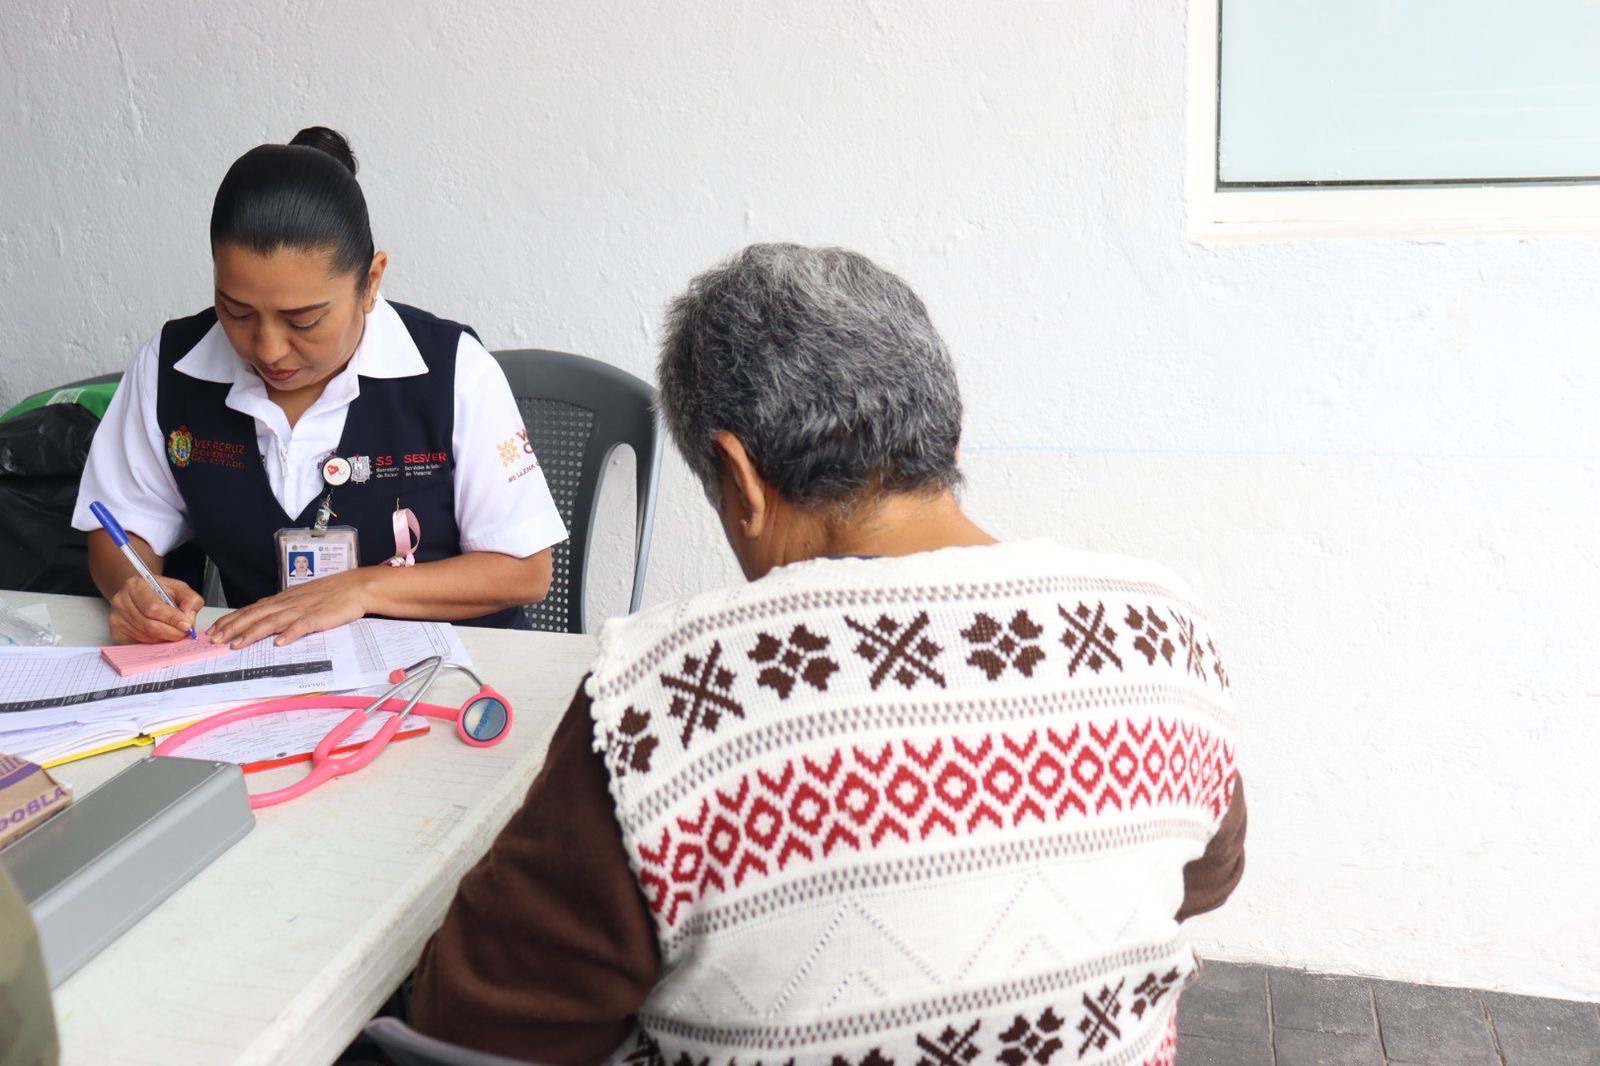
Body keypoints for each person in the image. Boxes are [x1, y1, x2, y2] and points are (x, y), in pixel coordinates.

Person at [409, 245, 1246, 1065]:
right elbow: (1205, 878)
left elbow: (475, 1025)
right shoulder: (1161, 624)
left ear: (740, 481)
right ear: (951, 438)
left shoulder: (664, 701)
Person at [73, 127, 566, 647]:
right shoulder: (172, 367)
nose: (267, 348)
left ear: (371, 283)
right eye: (236, 312)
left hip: (454, 679)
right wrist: (134, 590)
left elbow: (525, 570)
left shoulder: (452, 372)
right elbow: (121, 529)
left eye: (304, 321)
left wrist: (362, 589)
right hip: (268, 681)